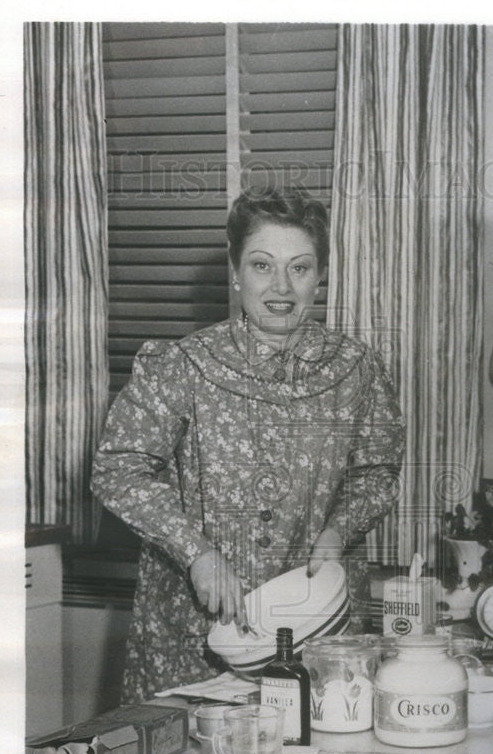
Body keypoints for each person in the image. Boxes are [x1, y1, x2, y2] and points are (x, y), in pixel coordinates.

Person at [91, 185, 405, 701]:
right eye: (262, 265)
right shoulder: (179, 366)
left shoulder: (357, 370)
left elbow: (377, 473)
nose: (281, 286)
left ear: (320, 276)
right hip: (194, 635)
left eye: (299, 268)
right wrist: (197, 554)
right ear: (235, 273)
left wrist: (338, 530)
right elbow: (118, 470)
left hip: (317, 628)